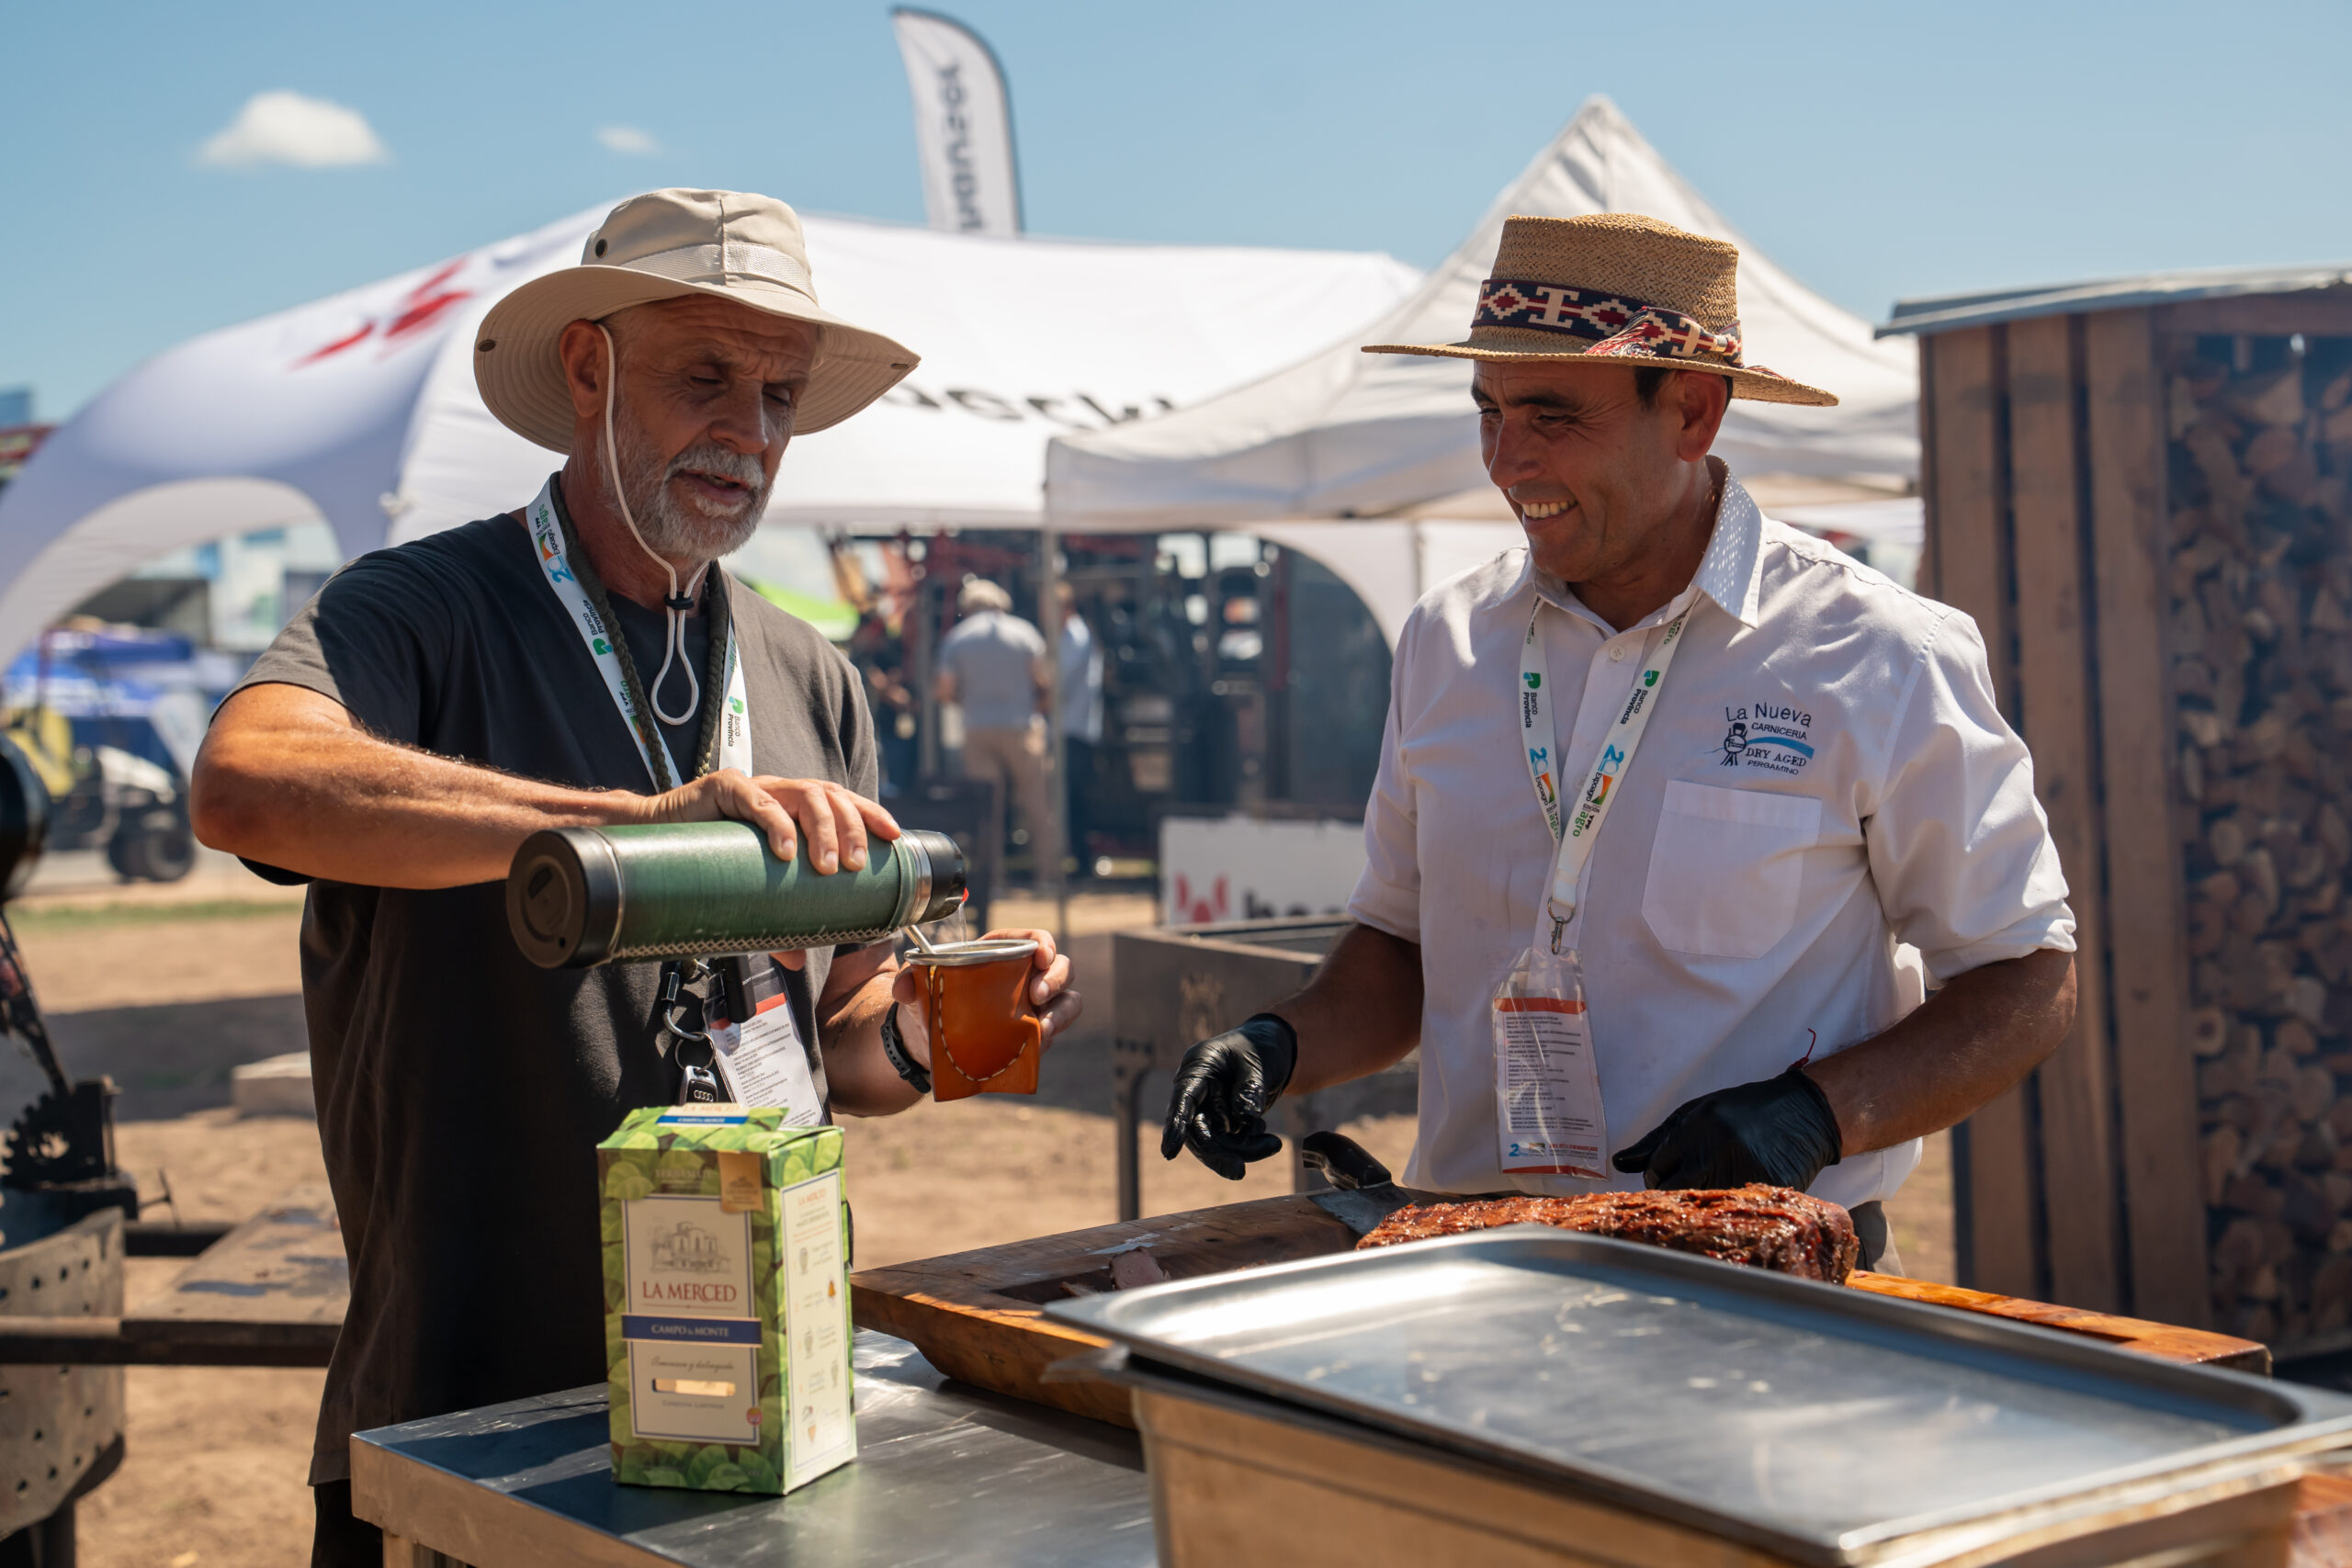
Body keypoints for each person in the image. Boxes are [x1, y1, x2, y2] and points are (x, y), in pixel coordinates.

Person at [187, 189, 1082, 1566]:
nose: (752, 432)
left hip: (760, 1403)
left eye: (779, 394)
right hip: (468, 1418)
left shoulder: (809, 671)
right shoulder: (422, 607)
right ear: (588, 368)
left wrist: (920, 1028)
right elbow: (245, 780)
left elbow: (837, 1041)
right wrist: (631, 825)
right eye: (705, 377)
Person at [1159, 213, 2076, 1272]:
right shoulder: (1447, 640)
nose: (1508, 459)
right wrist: (1275, 1044)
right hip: (1474, 1267)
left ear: (1691, 411)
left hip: (1761, 1276)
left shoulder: (1878, 652)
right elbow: (1405, 945)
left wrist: (1818, 1115)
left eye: (1552, 414)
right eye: (1489, 411)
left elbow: (2023, 978)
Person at [936, 577, 1059, 881]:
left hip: (978, 728)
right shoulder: (1025, 633)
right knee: (1036, 803)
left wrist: (968, 699)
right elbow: (1045, 682)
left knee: (988, 809)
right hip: (1022, 727)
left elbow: (944, 690)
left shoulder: (957, 638)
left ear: (968, 606)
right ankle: (1048, 875)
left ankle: (993, 881)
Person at [1055, 581, 1104, 876]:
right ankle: (1080, 859)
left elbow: (1059, 684)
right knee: (1071, 798)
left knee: (1075, 799)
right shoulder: (1070, 635)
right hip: (1071, 727)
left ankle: (1083, 861)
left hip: (1074, 728)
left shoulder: (1075, 636)